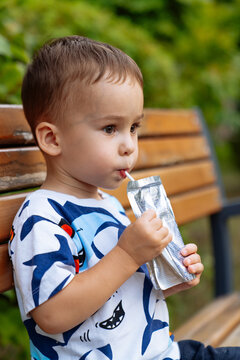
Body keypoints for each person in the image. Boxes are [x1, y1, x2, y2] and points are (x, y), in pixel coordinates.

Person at [8, 35, 239, 360]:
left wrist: (170, 279)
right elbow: (52, 316)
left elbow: (122, 292)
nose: (129, 144)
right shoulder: (41, 215)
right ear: (52, 139)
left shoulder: (109, 204)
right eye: (109, 129)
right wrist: (128, 255)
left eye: (133, 127)